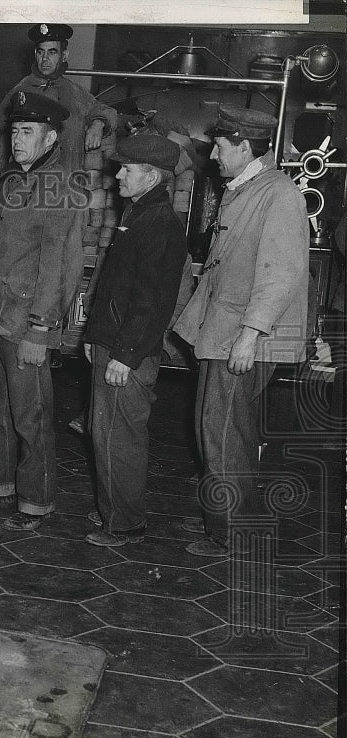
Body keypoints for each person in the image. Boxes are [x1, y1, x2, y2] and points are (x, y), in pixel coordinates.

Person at [173, 106, 309, 557]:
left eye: (220, 146)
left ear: (246, 146)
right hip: (224, 331)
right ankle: (230, 528)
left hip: (242, 336)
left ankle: (231, 535)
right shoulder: (246, 188)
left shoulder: (278, 193)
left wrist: (250, 333)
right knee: (216, 428)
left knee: (224, 432)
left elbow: (281, 272)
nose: (212, 154)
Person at [0, 92, 86, 531]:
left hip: (25, 324)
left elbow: (62, 266)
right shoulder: (10, 181)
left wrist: (42, 329)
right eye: (14, 131)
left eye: (28, 132)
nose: (17, 139)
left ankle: (35, 501)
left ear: (51, 136)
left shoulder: (61, 186)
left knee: (30, 418)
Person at [81, 134, 189, 547]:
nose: (117, 174)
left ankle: (124, 522)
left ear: (151, 175)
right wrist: (96, 336)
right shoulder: (140, 212)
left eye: (126, 169)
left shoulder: (158, 222)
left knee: (119, 436)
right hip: (115, 343)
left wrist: (124, 355)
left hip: (130, 351)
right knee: (104, 430)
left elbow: (151, 302)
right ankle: (115, 508)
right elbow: (114, 287)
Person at [0, 24, 116, 172]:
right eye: (40, 52)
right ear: (35, 54)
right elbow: (1, 152)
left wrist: (98, 123)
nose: (45, 59)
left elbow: (105, 111)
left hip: (70, 185)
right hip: (31, 187)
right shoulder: (18, 94)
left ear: (64, 55)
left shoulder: (76, 92)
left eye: (52, 52)